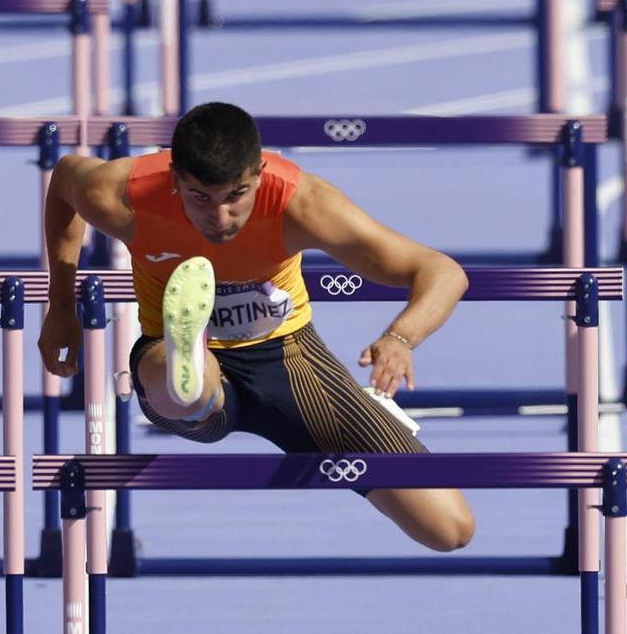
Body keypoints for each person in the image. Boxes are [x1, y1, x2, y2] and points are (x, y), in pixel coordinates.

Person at [38, 102, 475, 551]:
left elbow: (442, 272)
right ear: (175, 179)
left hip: (290, 359)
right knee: (180, 381)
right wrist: (60, 305)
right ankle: (189, 364)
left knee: (448, 528)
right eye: (200, 198)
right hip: (174, 356)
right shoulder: (125, 193)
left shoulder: (301, 204)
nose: (220, 218)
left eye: (236, 196)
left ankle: (193, 374)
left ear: (260, 173)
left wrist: (400, 337)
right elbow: (66, 180)